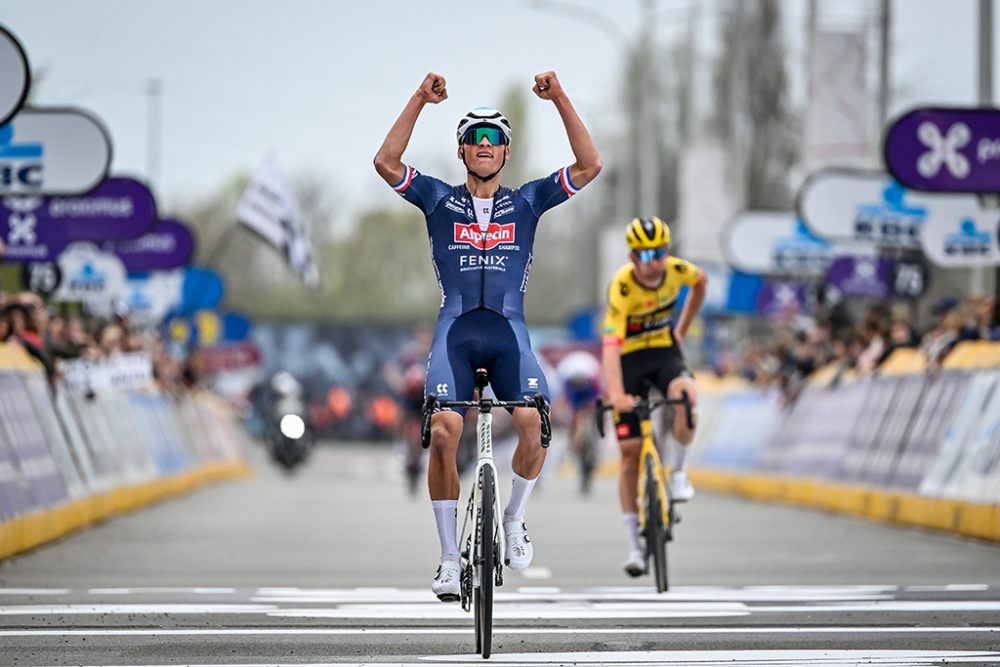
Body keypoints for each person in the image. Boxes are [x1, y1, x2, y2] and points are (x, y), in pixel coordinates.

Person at [374, 71, 602, 601]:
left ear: (505, 152)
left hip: (508, 333)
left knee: (533, 423)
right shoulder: (437, 199)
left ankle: (516, 517)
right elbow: (385, 164)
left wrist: (561, 98)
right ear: (460, 150)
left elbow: (590, 166)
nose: (483, 144)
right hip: (455, 332)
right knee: (445, 434)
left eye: (494, 138)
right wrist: (418, 100)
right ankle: (450, 558)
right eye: (474, 137)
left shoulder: (526, 202)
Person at [600, 216, 706, 577]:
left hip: (663, 353)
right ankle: (634, 544)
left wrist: (682, 329)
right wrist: (616, 395)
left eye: (658, 253)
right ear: (632, 258)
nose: (652, 263)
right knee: (630, 457)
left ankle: (678, 472)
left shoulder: (679, 271)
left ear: (668, 251)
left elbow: (700, 282)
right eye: (643, 256)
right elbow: (611, 348)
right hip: (629, 361)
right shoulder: (623, 287)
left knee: (687, 397)